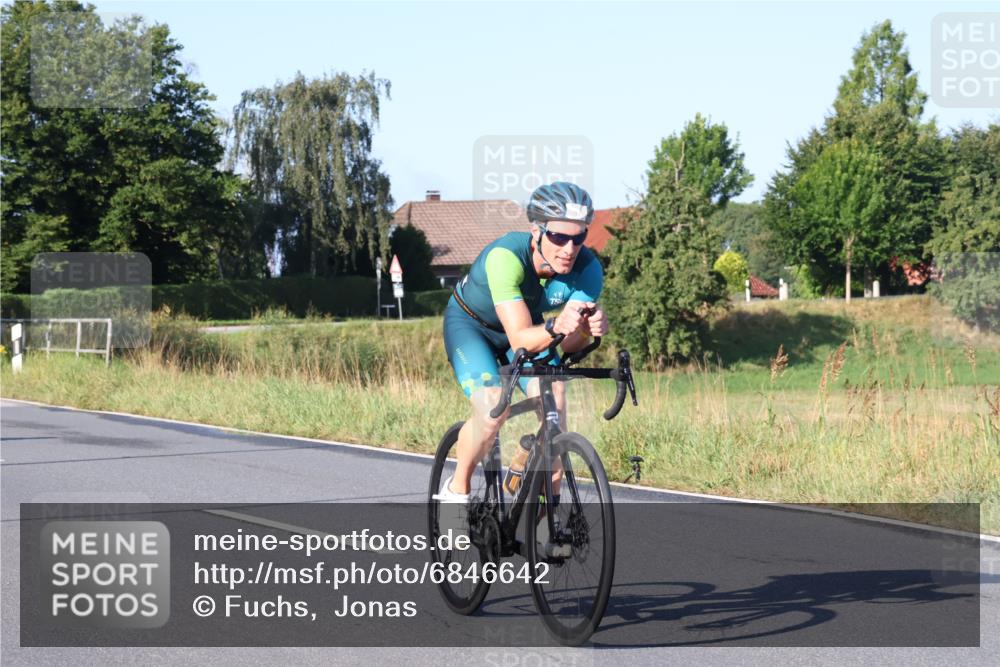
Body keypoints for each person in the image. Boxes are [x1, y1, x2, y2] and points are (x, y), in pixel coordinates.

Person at [434, 182, 608, 512]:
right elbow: (519, 340)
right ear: (536, 231)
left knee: (555, 404)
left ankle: (545, 513)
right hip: (472, 328)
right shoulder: (506, 257)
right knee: (491, 410)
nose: (569, 248)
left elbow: (568, 346)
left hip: (530, 328)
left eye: (578, 238)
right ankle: (456, 491)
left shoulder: (588, 271)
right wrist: (556, 325)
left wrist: (585, 331)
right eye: (558, 237)